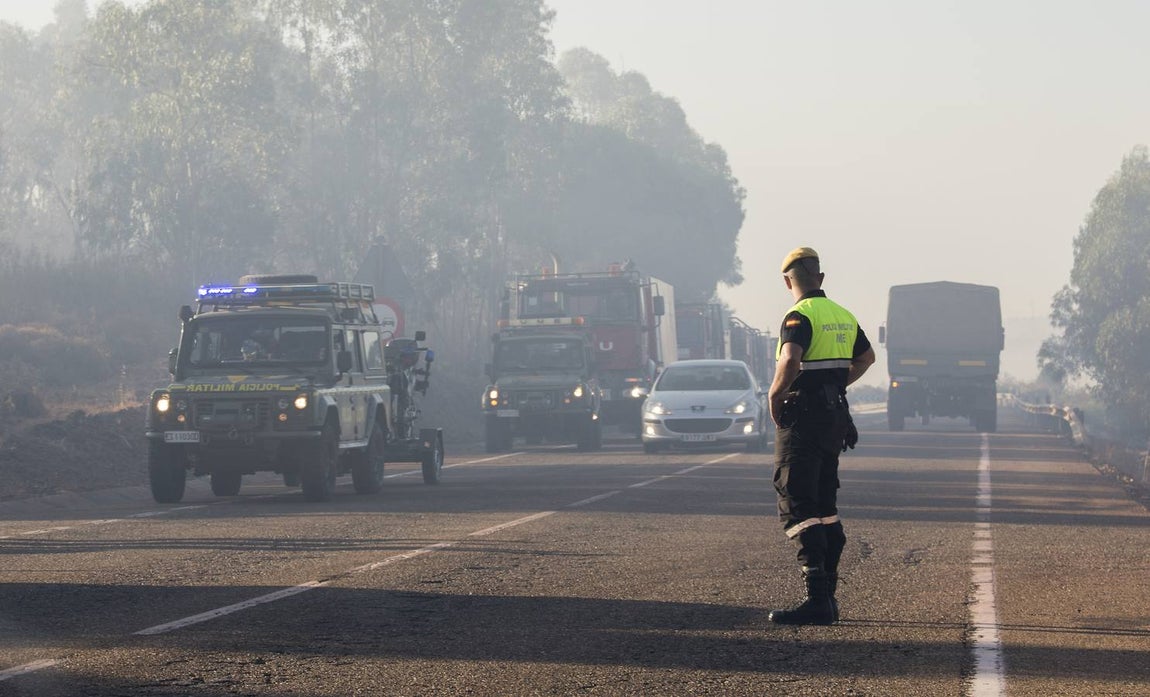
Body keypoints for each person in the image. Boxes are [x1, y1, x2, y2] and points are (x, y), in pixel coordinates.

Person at [766, 247, 875, 625]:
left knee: (797, 501)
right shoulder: (843, 315)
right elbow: (867, 358)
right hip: (834, 419)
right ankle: (827, 597)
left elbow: (791, 359)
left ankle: (816, 600)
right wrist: (832, 384)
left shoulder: (798, 317)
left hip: (805, 418)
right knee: (825, 505)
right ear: (820, 278)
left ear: (787, 281)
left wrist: (775, 395)